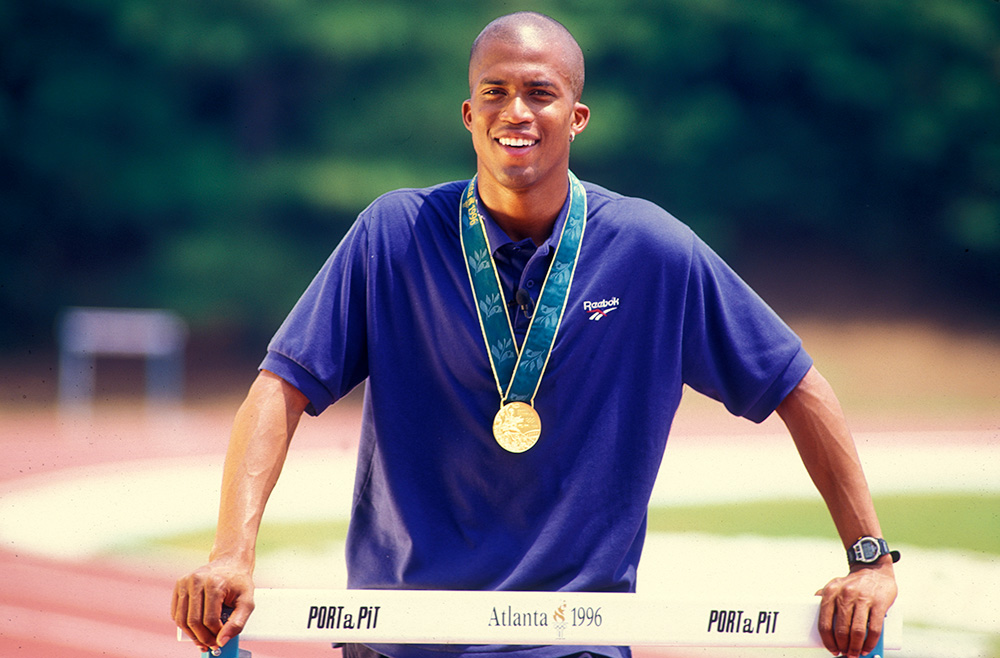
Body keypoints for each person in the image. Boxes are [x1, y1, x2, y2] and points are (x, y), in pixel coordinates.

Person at [172, 11, 897, 658]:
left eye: (540, 93)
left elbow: (797, 385)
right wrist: (232, 552)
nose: (515, 110)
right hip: (400, 636)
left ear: (577, 116)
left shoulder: (650, 249)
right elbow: (280, 387)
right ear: (467, 112)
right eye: (495, 91)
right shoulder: (392, 234)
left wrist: (868, 560)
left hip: (568, 642)